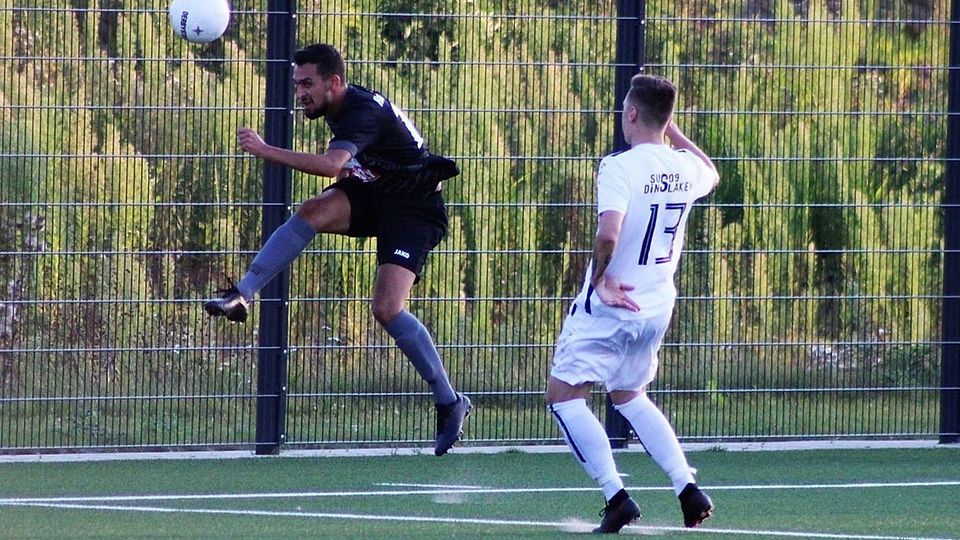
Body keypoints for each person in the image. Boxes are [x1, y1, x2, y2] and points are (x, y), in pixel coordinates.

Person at [204, 43, 471, 457]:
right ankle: (241, 293)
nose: (300, 94)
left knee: (386, 308)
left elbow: (332, 165)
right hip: (375, 192)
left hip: (414, 208)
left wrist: (264, 149)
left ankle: (449, 401)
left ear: (335, 82)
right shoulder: (339, 108)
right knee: (313, 210)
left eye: (307, 84)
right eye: (296, 85)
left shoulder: (361, 110)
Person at [545, 73, 719, 533]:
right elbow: (712, 172)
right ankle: (687, 487)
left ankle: (615, 495)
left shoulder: (619, 167)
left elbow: (608, 232)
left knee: (563, 396)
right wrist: (673, 132)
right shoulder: (685, 167)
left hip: (612, 304)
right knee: (629, 395)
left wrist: (600, 281)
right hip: (657, 305)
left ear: (632, 114)